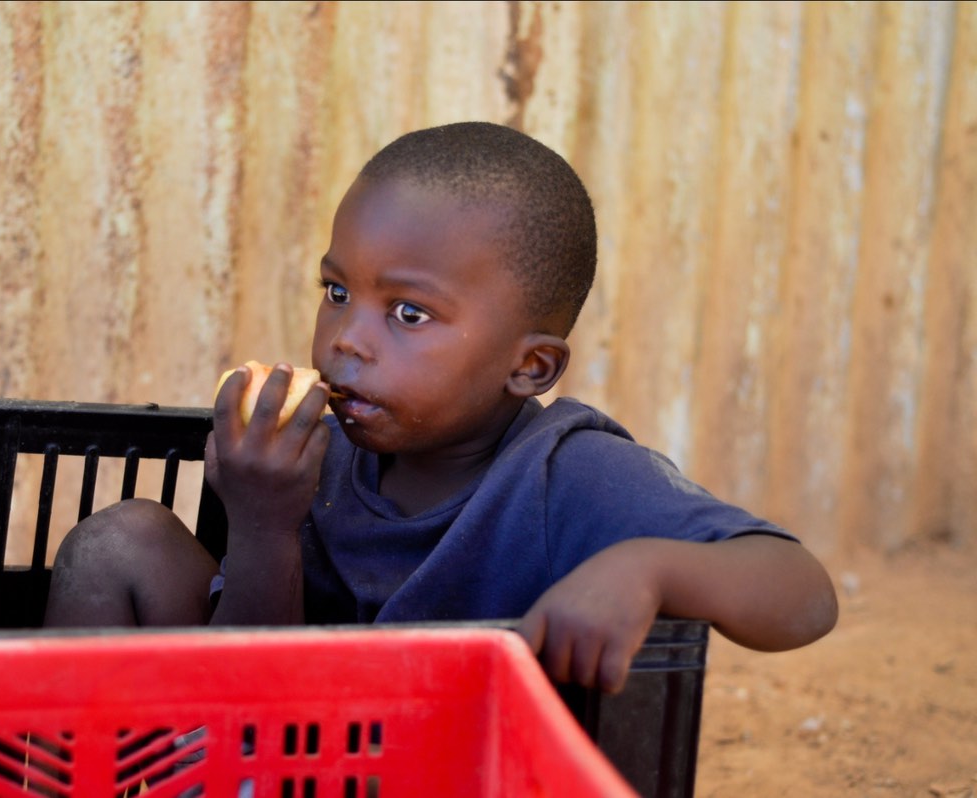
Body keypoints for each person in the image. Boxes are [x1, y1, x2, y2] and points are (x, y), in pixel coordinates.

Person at [44, 121, 838, 693]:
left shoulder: (566, 474)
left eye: (408, 314)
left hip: (454, 768)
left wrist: (647, 567)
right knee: (121, 542)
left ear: (529, 367)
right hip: (285, 752)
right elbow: (256, 687)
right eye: (337, 291)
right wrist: (261, 522)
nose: (346, 340)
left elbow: (802, 594)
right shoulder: (317, 458)